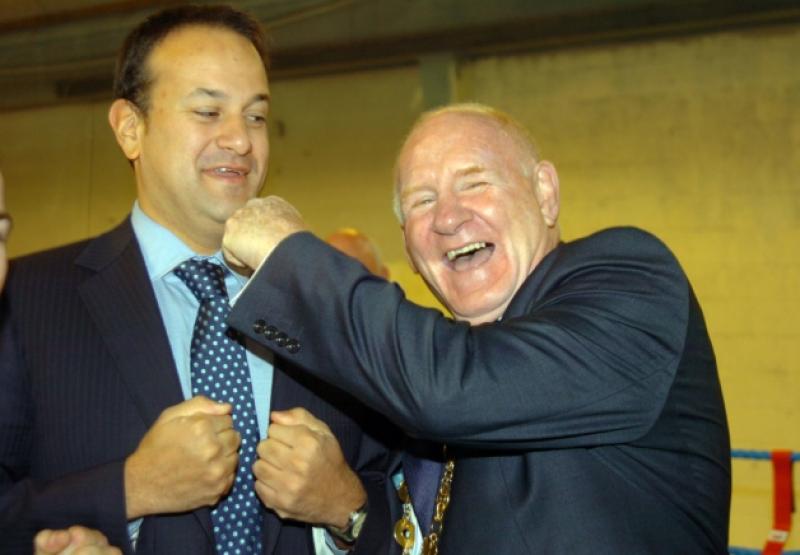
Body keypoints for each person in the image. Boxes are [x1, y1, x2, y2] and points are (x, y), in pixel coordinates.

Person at [221, 103, 732, 553]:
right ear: (410, 252)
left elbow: (452, 388)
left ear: (545, 193)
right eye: (422, 201)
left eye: (475, 183)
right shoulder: (426, 369)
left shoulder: (630, 280)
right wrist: (348, 512)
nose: (447, 218)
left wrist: (291, 258)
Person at [0, 6, 394, 554]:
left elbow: (409, 504)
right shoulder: (23, 301)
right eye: (208, 111)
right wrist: (130, 489)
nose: (239, 140)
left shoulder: (327, 298)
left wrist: (345, 509)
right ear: (130, 129)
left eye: (255, 116)